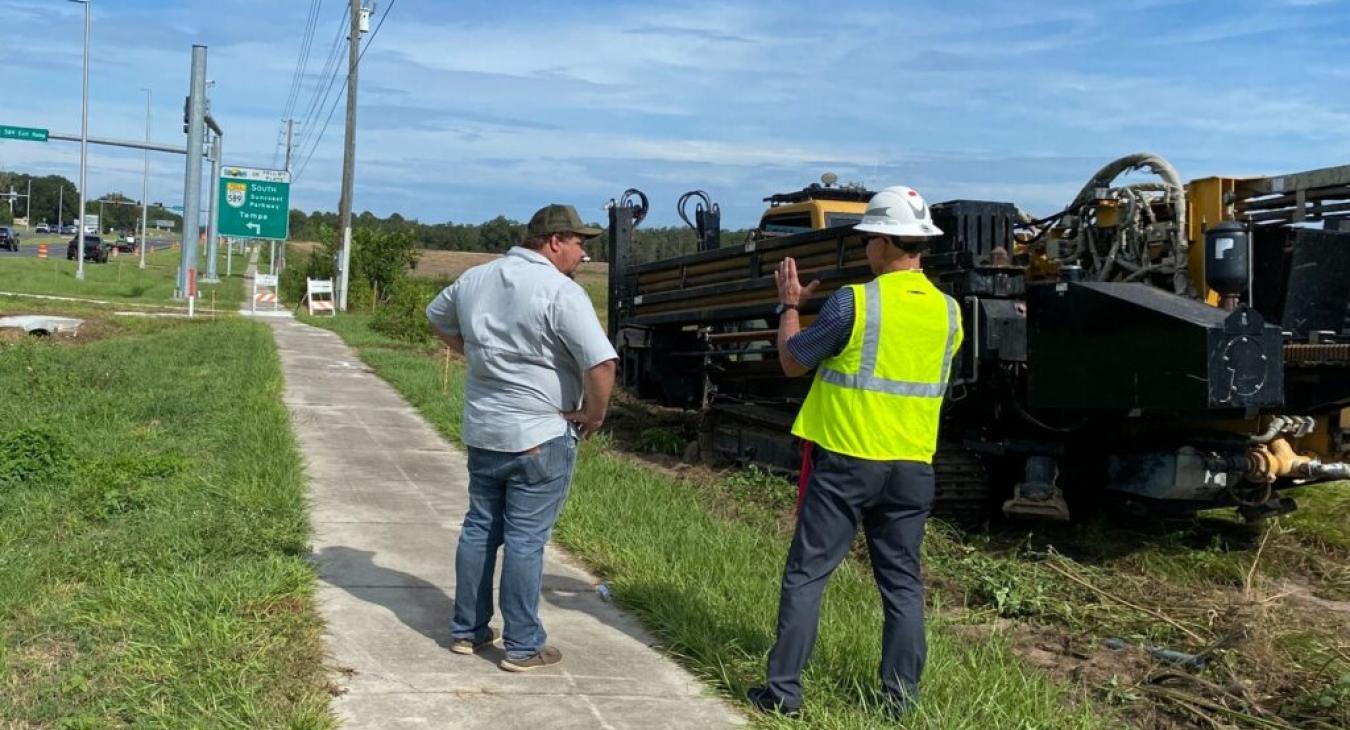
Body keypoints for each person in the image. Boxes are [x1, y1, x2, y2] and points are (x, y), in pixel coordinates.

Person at [747, 185, 963, 717]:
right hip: (913, 467)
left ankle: (783, 695)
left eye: (870, 237)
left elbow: (794, 361)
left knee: (807, 574)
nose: (865, 246)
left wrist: (790, 306)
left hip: (848, 461)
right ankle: (899, 703)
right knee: (903, 585)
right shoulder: (950, 313)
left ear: (888, 243)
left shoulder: (856, 301)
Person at [425, 203, 618, 672]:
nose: (583, 254)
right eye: (579, 243)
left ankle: (467, 629)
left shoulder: (475, 278)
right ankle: (523, 644)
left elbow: (436, 316)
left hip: (485, 429)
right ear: (554, 241)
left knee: (479, 529)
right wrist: (592, 417)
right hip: (541, 432)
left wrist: (476, 354)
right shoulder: (560, 291)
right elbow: (602, 365)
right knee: (526, 540)